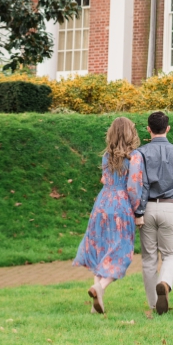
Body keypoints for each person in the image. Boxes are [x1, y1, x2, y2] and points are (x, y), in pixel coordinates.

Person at [73, 116, 145, 315]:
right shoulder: (135, 157)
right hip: (121, 206)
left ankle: (97, 302)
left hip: (102, 203)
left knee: (102, 249)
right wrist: (137, 211)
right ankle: (101, 286)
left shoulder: (107, 155)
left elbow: (105, 179)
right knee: (122, 252)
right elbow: (134, 187)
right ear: (131, 133)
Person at [134, 110, 173, 317]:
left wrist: (138, 211)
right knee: (171, 255)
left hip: (147, 208)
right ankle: (165, 283)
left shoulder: (140, 154)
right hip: (170, 207)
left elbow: (139, 184)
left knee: (149, 258)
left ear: (148, 129)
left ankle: (153, 304)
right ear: (168, 128)